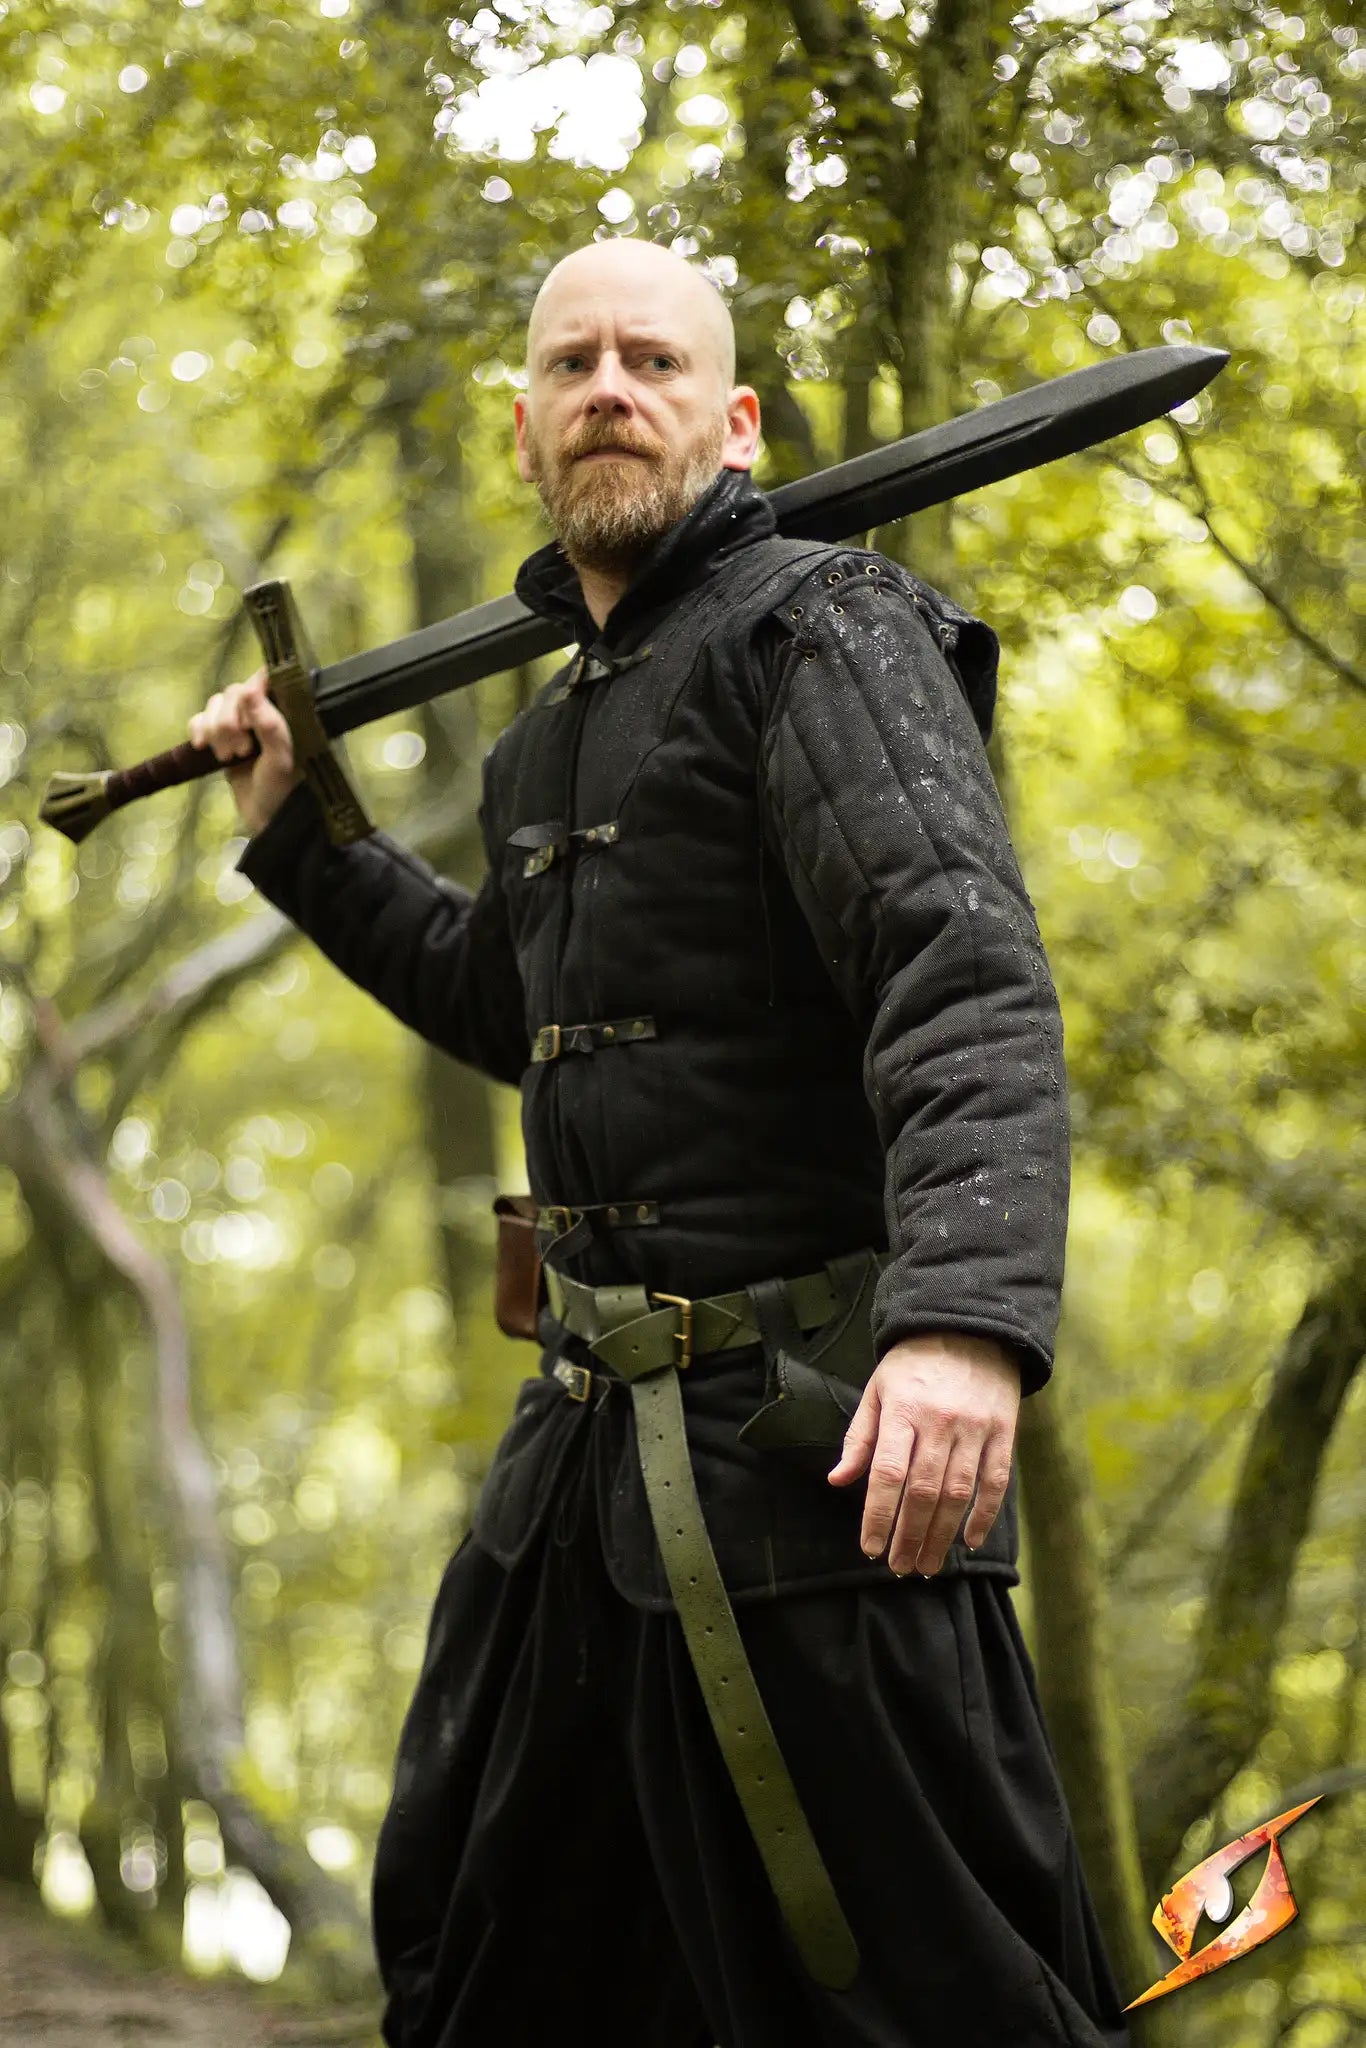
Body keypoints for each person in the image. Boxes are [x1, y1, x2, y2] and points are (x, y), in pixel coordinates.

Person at [192, 237, 1133, 2047]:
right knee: (488, 1967)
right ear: (527, 428)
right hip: (585, 1482)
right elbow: (511, 1004)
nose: (609, 387)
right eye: (572, 364)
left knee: (920, 1997)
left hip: (810, 1470)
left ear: (731, 415)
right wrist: (306, 836)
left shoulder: (819, 628)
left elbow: (961, 970)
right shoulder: (551, 737)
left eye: (651, 359)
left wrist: (963, 1323)